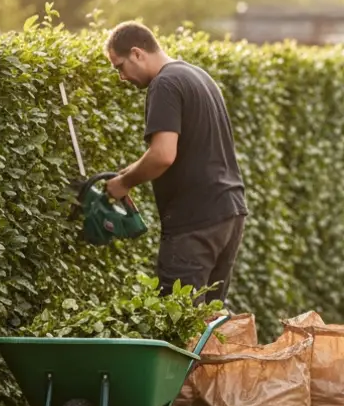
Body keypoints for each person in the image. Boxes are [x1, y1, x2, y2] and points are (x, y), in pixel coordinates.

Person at [102, 21, 246, 306]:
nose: (121, 77)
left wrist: (123, 183)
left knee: (176, 324)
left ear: (137, 53)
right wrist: (127, 173)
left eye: (119, 66)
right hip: (228, 213)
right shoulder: (197, 75)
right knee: (209, 323)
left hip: (195, 222)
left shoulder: (164, 84)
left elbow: (163, 155)